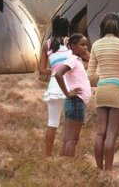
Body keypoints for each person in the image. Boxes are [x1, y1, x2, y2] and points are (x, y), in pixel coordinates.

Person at [87, 12, 119, 171]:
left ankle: (99, 170)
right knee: (111, 135)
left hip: (101, 92)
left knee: (100, 133)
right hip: (117, 92)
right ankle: (108, 173)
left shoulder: (96, 44)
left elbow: (90, 76)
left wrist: (103, 78)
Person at [53, 33, 92, 158]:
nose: (85, 48)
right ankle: (68, 167)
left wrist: (82, 51)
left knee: (67, 138)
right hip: (76, 102)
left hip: (76, 102)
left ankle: (62, 165)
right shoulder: (72, 60)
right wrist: (67, 93)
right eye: (82, 45)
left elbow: (91, 60)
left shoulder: (77, 60)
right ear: (73, 46)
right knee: (72, 139)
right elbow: (59, 74)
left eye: (86, 45)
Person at [38, 15, 71, 156]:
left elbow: (42, 69)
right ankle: (68, 155)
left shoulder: (47, 44)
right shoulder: (69, 42)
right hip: (68, 84)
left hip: (53, 86)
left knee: (52, 122)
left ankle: (48, 156)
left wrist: (55, 71)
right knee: (70, 123)